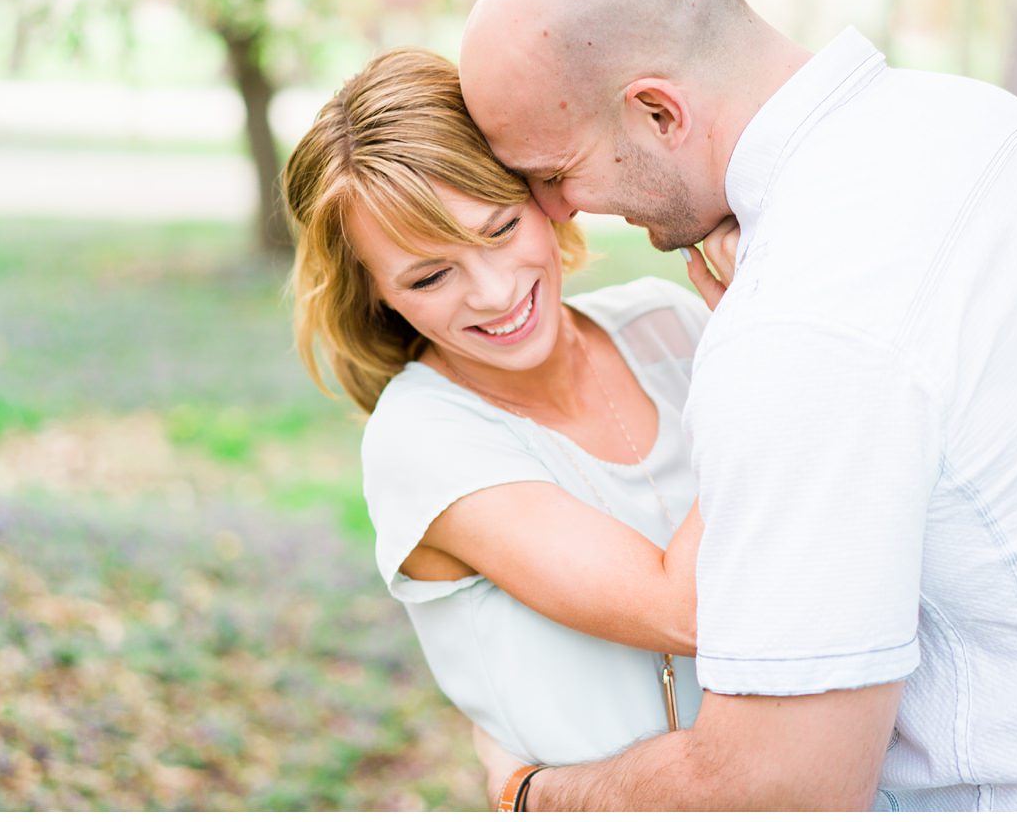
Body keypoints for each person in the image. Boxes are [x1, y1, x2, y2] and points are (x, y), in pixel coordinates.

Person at [457, 0, 1017, 811]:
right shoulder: (992, 130)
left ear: (657, 112)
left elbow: (779, 788)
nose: (559, 212)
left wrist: (536, 796)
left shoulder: (803, 322)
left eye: (552, 172)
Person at [282, 46, 742, 773]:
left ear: (543, 195)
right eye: (431, 275)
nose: (494, 293)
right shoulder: (423, 438)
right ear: (374, 291)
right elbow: (688, 609)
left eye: (499, 229)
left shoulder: (666, 322)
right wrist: (760, 354)